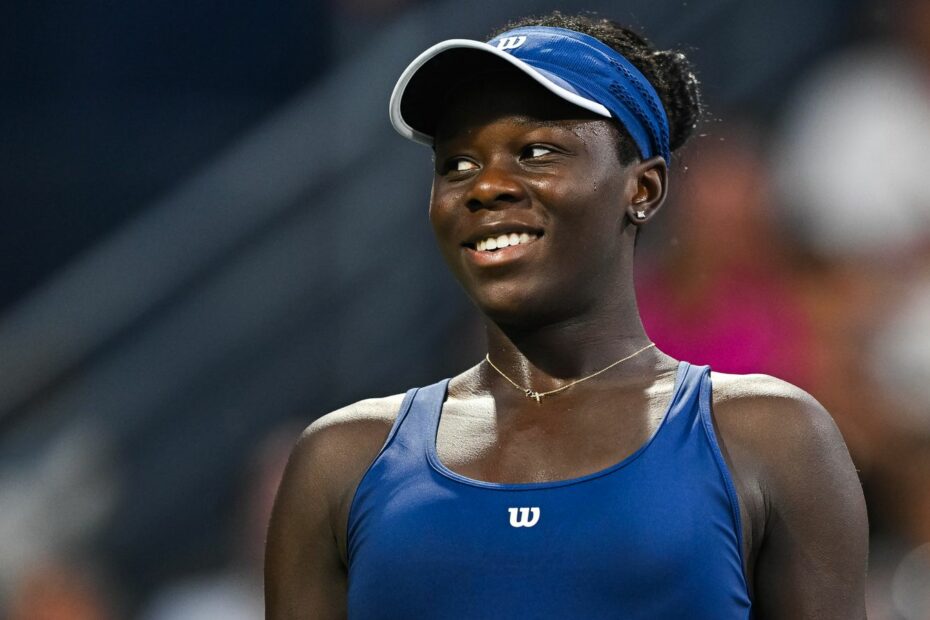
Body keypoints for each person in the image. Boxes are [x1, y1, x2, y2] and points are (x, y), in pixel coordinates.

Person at [265, 12, 868, 619]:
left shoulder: (773, 438)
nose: (485, 187)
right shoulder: (339, 461)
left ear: (644, 189)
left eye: (536, 151)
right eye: (458, 165)